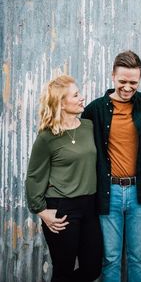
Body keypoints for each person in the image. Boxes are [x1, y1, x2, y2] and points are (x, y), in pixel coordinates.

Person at [81, 50, 141, 282]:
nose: (127, 87)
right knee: (112, 257)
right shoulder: (95, 110)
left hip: (139, 193)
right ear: (112, 76)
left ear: (140, 79)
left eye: (133, 82)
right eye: (122, 81)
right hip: (109, 192)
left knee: (137, 257)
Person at [25, 75, 103, 282]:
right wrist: (41, 211)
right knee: (63, 269)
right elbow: (34, 176)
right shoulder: (47, 137)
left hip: (90, 206)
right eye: (76, 95)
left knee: (93, 268)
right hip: (62, 209)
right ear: (61, 102)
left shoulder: (89, 126)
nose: (82, 98)